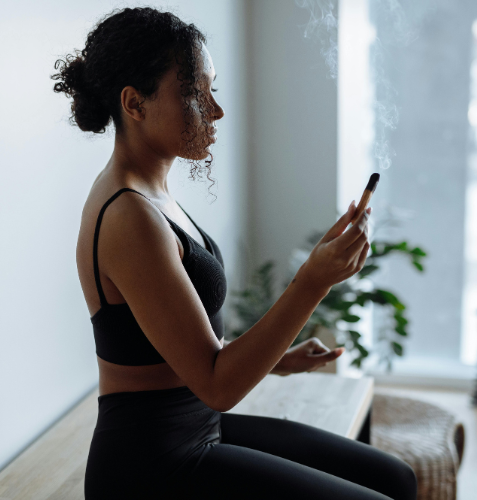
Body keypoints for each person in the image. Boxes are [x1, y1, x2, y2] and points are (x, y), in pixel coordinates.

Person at [51, 6, 417, 499]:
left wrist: (276, 358)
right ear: (134, 104)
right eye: (194, 95)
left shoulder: (149, 192)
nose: (216, 111)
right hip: (154, 466)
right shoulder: (128, 216)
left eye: (212, 91)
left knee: (395, 478)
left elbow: (181, 345)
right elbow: (218, 386)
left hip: (200, 428)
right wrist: (313, 280)